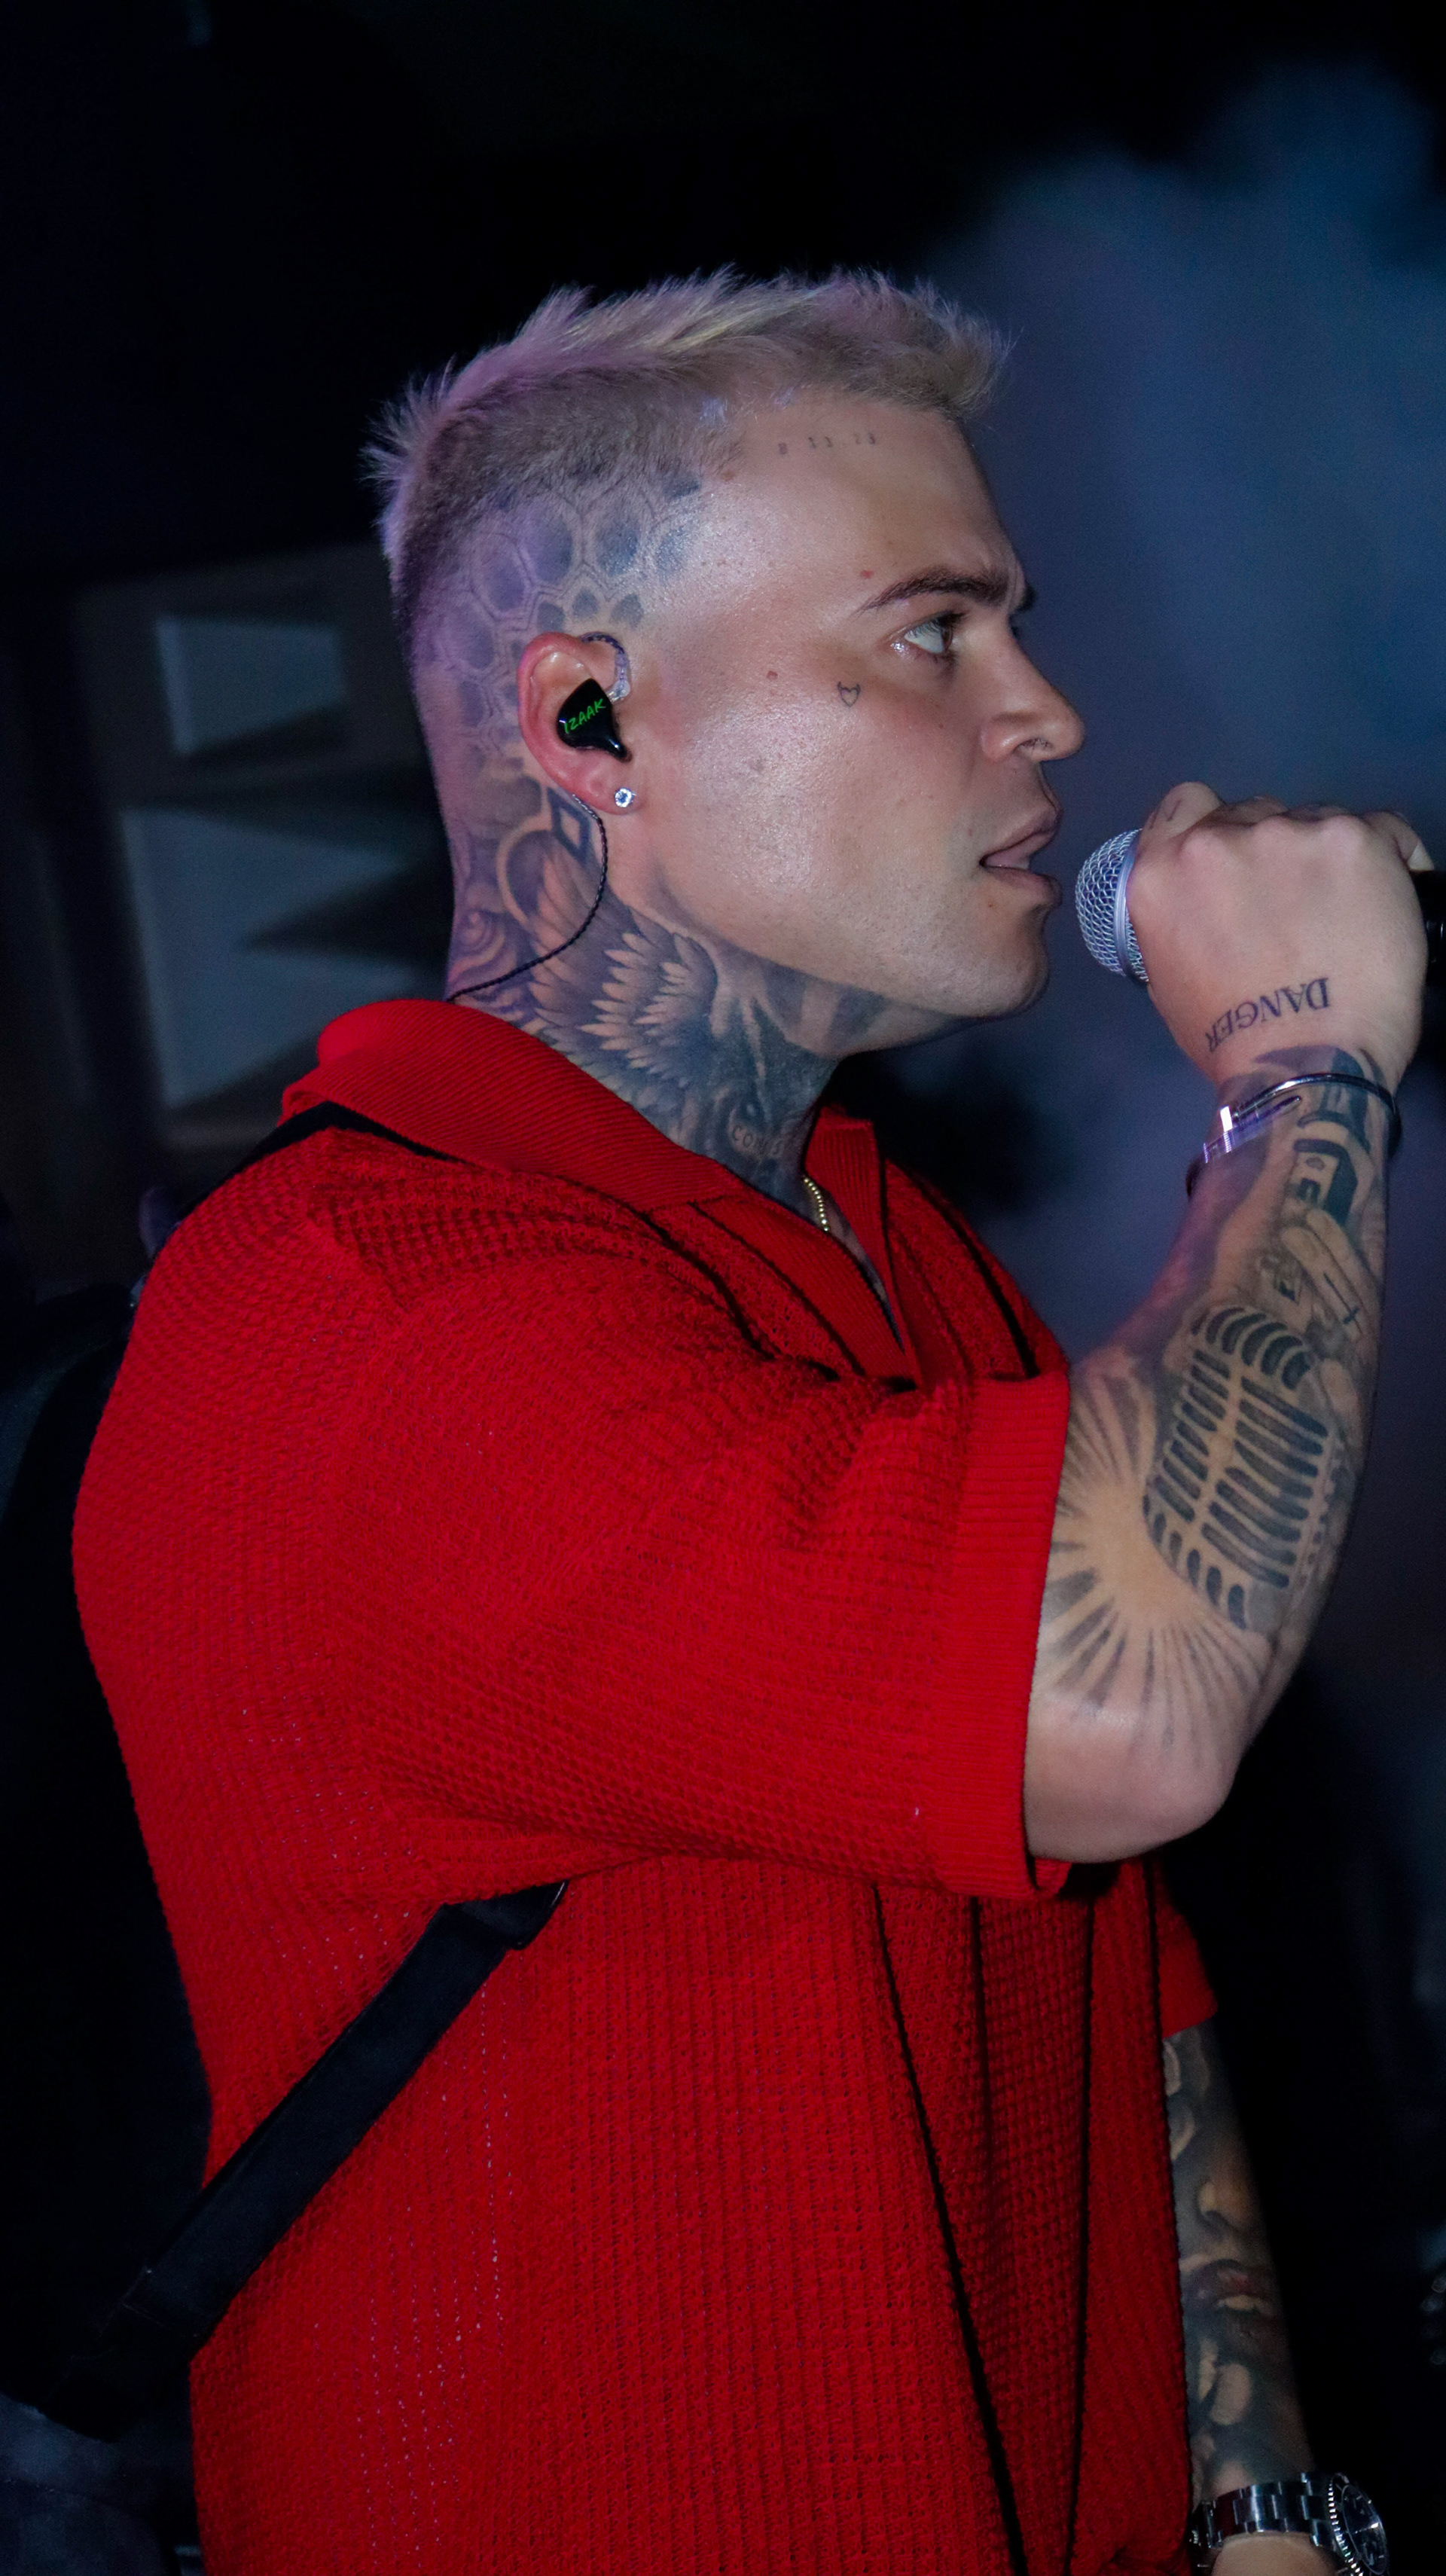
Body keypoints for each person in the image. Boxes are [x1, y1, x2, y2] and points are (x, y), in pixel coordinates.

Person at [74, 275, 1426, 2575]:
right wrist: (1304, 1062)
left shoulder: (893, 1248)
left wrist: (1265, 2506)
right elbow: (1123, 1709)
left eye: (1014, 626)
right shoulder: (366, 1308)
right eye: (933, 634)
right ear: (592, 716)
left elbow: (1127, 1973)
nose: (1048, 711)